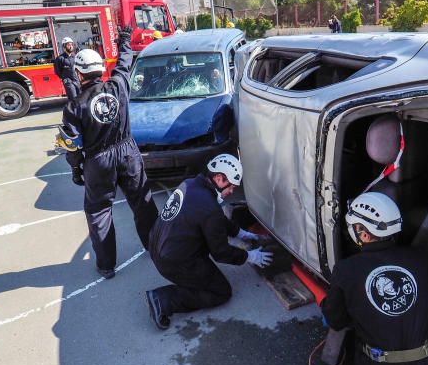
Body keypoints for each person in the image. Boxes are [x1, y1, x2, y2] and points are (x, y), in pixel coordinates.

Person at [320, 191, 428, 365]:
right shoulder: (419, 258)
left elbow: (335, 321)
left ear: (363, 233)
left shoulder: (346, 269)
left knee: (355, 327)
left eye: (353, 228)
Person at [61, 25, 159, 278]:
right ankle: (156, 246)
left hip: (98, 161)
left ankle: (106, 265)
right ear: (101, 70)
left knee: (99, 211)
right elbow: (125, 63)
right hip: (128, 153)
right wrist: (124, 40)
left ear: (79, 74)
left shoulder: (74, 106)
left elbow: (71, 144)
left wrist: (75, 168)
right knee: (143, 202)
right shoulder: (118, 86)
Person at [145, 154, 272, 330]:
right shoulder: (209, 207)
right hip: (175, 262)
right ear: (219, 178)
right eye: (232, 186)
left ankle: (182, 284)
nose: (232, 191)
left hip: (158, 246)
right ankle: (164, 300)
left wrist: (240, 233)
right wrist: (249, 256)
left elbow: (215, 217)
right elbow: (221, 252)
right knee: (220, 292)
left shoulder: (191, 184)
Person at [53, 37, 81, 102]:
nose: (71, 46)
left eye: (71, 45)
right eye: (68, 45)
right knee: (73, 99)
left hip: (76, 80)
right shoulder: (60, 59)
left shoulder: (75, 57)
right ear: (64, 46)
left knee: (80, 97)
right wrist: (65, 78)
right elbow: (58, 71)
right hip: (68, 81)